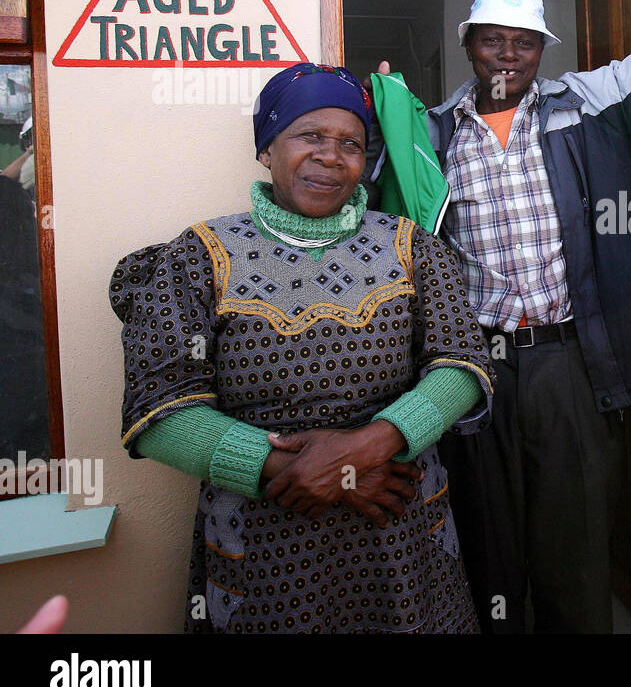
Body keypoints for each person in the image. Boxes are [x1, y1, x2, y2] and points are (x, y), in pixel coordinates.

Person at [373, 0, 631, 633]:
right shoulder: (429, 137)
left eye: (524, 42)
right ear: (469, 44)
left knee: (576, 558)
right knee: (487, 557)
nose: (508, 54)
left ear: (540, 51)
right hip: (472, 370)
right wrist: (379, 116)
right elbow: (375, 216)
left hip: (570, 365)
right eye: (494, 38)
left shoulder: (587, 104)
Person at [110, 62, 493, 633]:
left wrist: (366, 445)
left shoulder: (412, 247)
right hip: (265, 545)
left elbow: (462, 367)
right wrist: (304, 468)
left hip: (402, 540)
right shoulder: (200, 254)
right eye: (309, 136)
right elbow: (159, 410)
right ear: (268, 147)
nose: (331, 157)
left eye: (350, 144)